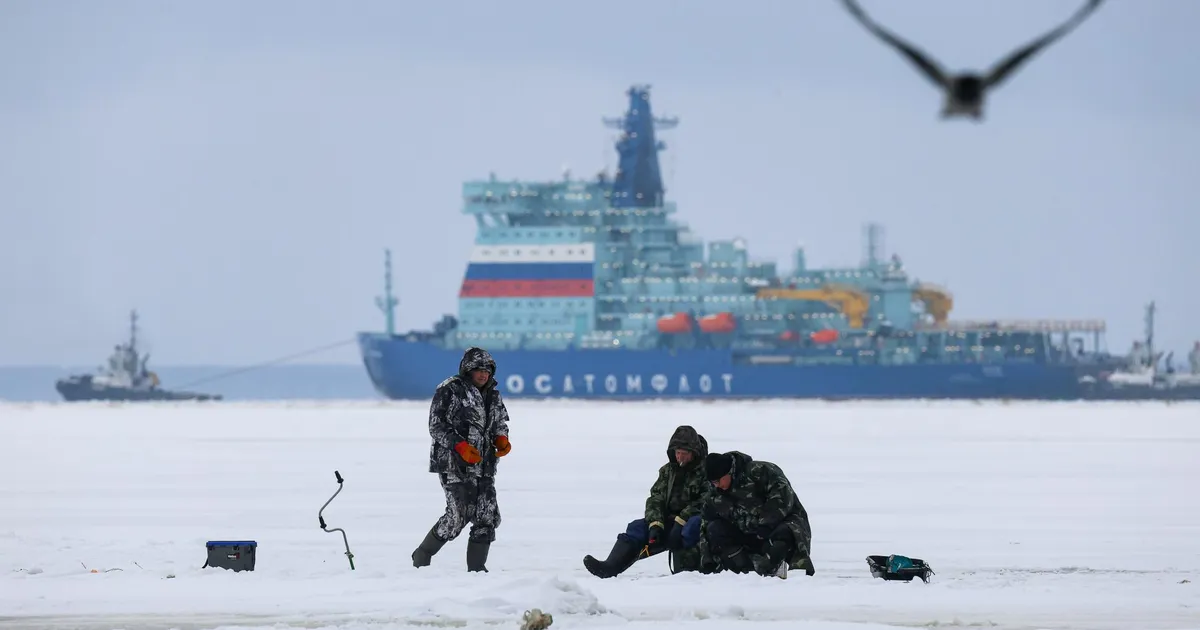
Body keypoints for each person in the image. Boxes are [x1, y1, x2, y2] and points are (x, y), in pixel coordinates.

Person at [411, 347, 512, 572]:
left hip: (484, 465)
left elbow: (499, 422)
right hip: (453, 464)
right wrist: (460, 446)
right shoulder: (450, 390)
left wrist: (502, 438)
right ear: (468, 370)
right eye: (478, 370)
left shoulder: (493, 394)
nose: (483, 375)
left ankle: (477, 570)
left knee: (487, 515)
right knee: (458, 515)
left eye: (487, 370)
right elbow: (436, 426)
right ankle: (422, 554)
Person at [583, 425, 712, 578]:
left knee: (689, 529)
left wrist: (681, 521)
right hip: (669, 520)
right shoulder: (667, 471)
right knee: (636, 528)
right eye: (678, 453)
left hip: (694, 522)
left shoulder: (707, 471)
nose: (680, 458)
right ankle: (610, 567)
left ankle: (687, 573)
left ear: (694, 453)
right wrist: (655, 524)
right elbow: (656, 498)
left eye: (684, 454)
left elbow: (706, 500)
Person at [698, 450, 815, 579]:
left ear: (728, 472)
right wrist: (706, 558)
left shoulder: (761, 471)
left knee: (785, 534)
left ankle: (779, 568)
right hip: (746, 534)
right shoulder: (714, 493)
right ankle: (747, 571)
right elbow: (705, 523)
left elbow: (782, 497)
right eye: (713, 483)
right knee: (715, 530)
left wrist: (766, 523)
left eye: (718, 481)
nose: (718, 486)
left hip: (776, 527)